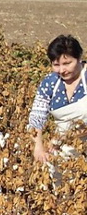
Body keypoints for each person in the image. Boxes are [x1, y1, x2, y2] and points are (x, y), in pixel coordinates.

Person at [28, 35, 87, 163]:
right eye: (56, 65)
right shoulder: (50, 83)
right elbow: (37, 116)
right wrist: (38, 147)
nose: (62, 70)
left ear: (79, 58)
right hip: (61, 147)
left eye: (67, 63)